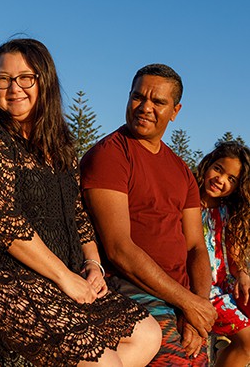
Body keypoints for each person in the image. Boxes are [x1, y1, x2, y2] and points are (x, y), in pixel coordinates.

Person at [0, 38, 161, 367]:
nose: (13, 88)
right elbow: (4, 223)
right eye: (2, 79)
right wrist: (65, 278)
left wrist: (93, 264)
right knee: (104, 363)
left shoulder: (59, 142)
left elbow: (78, 216)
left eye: (25, 77)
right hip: (2, 277)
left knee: (148, 334)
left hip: (58, 274)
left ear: (44, 80)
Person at [80, 64, 217, 366]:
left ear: (175, 111)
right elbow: (119, 249)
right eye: (138, 97)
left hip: (180, 295)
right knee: (176, 359)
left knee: (199, 359)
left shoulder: (182, 170)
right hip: (129, 287)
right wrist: (188, 303)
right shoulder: (110, 155)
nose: (145, 108)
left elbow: (196, 245)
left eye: (158, 102)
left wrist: (198, 306)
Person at [196, 141, 250, 366]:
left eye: (231, 179)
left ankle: (223, 349)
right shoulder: (187, 203)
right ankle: (225, 351)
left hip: (225, 282)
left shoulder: (228, 211)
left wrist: (243, 274)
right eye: (218, 169)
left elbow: (233, 253)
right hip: (202, 287)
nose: (221, 180)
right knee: (248, 342)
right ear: (208, 164)